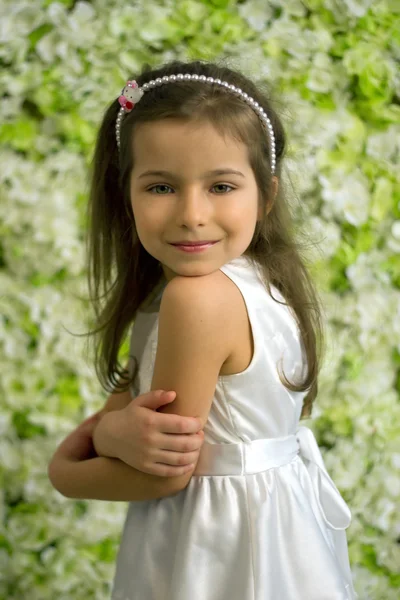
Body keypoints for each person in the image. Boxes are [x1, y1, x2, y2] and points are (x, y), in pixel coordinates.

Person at [49, 59, 358, 599]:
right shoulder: (242, 282)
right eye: (162, 187)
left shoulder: (198, 298)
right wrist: (110, 431)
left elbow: (163, 473)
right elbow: (123, 418)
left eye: (220, 185)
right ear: (127, 195)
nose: (192, 214)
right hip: (272, 529)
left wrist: (64, 470)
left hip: (222, 545)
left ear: (266, 194)